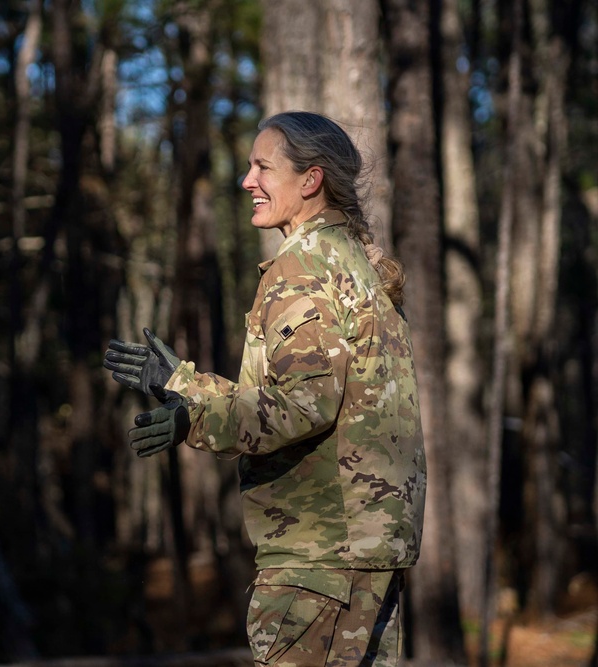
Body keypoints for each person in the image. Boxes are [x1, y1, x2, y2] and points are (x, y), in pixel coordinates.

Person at [104, 111, 426, 666]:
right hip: (367, 551)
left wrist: (192, 418)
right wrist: (183, 382)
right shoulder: (355, 266)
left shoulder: (300, 267)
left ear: (310, 180)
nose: (247, 181)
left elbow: (304, 405)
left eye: (262, 167)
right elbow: (319, 394)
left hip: (318, 556)